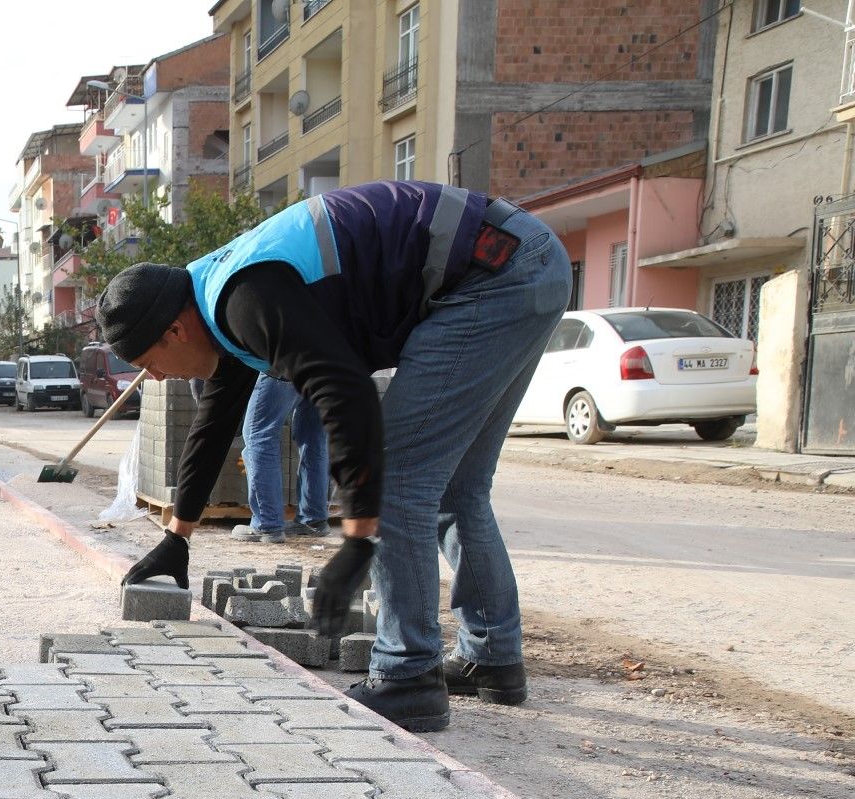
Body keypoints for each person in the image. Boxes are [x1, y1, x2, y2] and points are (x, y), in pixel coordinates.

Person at [102, 180, 569, 732]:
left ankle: (408, 675)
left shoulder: (245, 297)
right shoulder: (212, 298)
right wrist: (176, 538)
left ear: (174, 330)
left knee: (401, 480)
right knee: (455, 487)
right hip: (520, 261)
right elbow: (214, 424)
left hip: (490, 276)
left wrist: (356, 538)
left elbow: (345, 395)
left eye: (149, 363)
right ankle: (491, 658)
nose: (155, 377)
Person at [233, 375, 331, 544]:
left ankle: (266, 524)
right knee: (314, 434)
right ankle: (313, 520)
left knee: (258, 433)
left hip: (290, 356)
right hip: (332, 359)